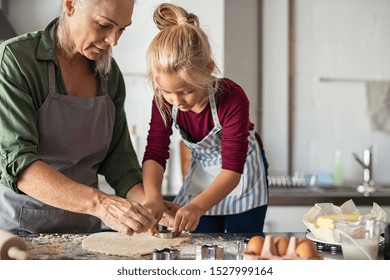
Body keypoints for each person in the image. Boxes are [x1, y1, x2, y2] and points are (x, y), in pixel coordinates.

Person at [0, 0, 155, 235]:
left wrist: (151, 207)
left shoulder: (109, 76)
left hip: (84, 237)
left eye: (122, 29)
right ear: (70, 5)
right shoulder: (16, 61)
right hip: (20, 236)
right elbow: (19, 165)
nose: (114, 41)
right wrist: (101, 205)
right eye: (104, 25)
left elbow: (121, 166)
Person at [142, 3, 269, 234]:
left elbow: (231, 171)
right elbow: (155, 152)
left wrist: (197, 206)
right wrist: (153, 199)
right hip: (203, 172)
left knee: (242, 245)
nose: (176, 101)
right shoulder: (164, 99)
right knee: (198, 244)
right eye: (167, 92)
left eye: (186, 91)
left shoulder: (232, 97)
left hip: (241, 174)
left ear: (208, 69)